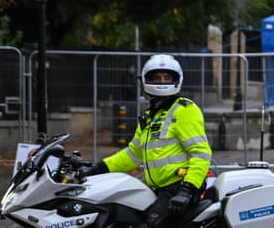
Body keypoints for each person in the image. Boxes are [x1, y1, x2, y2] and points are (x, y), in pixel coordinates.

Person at [83, 55, 211, 228]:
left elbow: (201, 153)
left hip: (179, 188)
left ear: (177, 80)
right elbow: (133, 154)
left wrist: (187, 191)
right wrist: (95, 169)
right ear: (145, 80)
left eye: (167, 77)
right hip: (157, 189)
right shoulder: (149, 116)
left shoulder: (185, 110)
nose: (162, 82)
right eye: (157, 77)